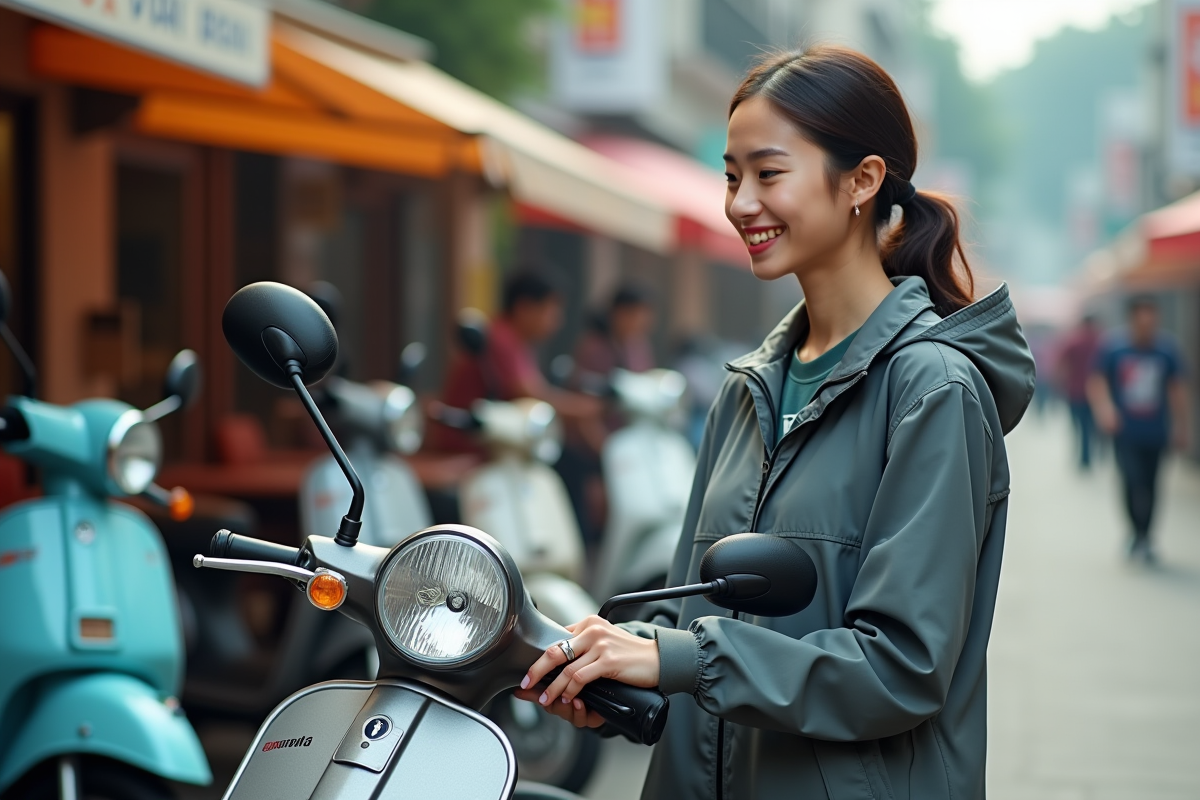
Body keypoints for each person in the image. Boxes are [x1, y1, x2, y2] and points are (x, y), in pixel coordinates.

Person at [515, 45, 1035, 800]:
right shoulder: (749, 384)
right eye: (731, 177)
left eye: (768, 173)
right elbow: (688, 609)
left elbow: (903, 666)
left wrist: (680, 659)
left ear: (862, 180)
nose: (740, 204)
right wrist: (616, 677)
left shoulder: (933, 390)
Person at [431, 269, 601, 455]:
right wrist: (582, 408)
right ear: (524, 307)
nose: (558, 320)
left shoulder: (517, 341)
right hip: (470, 447)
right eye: (552, 309)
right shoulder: (500, 338)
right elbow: (529, 395)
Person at [1088, 296, 1189, 562]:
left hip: (1156, 431)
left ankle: (1146, 536)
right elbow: (1097, 381)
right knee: (1131, 481)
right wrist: (1106, 410)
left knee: (1152, 484)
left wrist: (1181, 426)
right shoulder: (1114, 349)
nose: (1148, 325)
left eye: (1152, 319)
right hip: (1126, 431)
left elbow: (1177, 389)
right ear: (1132, 319)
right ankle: (1134, 532)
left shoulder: (1167, 350)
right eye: (1143, 319)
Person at [1057, 314, 1103, 468]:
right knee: (1093, 426)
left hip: (1076, 392)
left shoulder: (1073, 341)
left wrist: (1061, 383)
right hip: (1096, 394)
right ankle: (1092, 455)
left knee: (1081, 427)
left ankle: (1085, 458)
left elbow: (1061, 363)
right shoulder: (1101, 342)